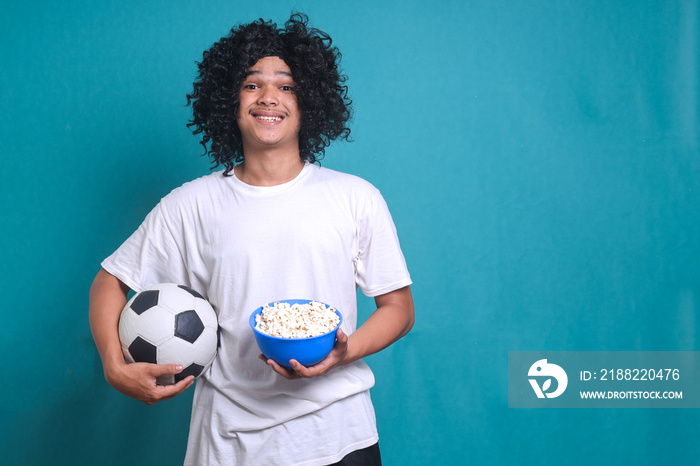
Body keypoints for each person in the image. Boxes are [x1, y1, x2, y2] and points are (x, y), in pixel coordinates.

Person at [89, 13, 414, 466]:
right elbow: (109, 282)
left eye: (286, 86)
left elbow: (398, 308)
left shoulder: (355, 197)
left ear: (310, 102)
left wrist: (344, 352)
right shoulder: (192, 204)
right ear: (228, 99)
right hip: (228, 444)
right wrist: (112, 365)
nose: (268, 98)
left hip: (339, 436)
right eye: (251, 84)